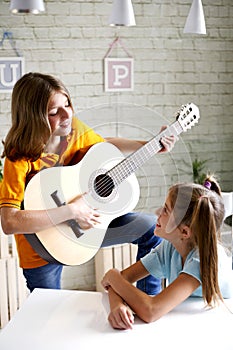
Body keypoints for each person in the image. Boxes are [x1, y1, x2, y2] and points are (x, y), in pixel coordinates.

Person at [0, 72, 176, 293]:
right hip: (40, 250)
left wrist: (149, 144)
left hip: (86, 227)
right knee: (48, 315)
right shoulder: (18, 157)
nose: (67, 114)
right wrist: (72, 211)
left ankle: (146, 300)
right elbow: (10, 222)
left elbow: (104, 146)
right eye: (54, 111)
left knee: (152, 229)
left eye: (68, 104)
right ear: (33, 116)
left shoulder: (74, 130)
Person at [101, 175, 233, 330]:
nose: (157, 212)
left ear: (184, 232)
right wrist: (117, 306)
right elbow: (121, 281)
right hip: (187, 324)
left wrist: (112, 275)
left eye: (165, 210)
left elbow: (151, 311)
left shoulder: (201, 261)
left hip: (218, 327)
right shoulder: (169, 248)